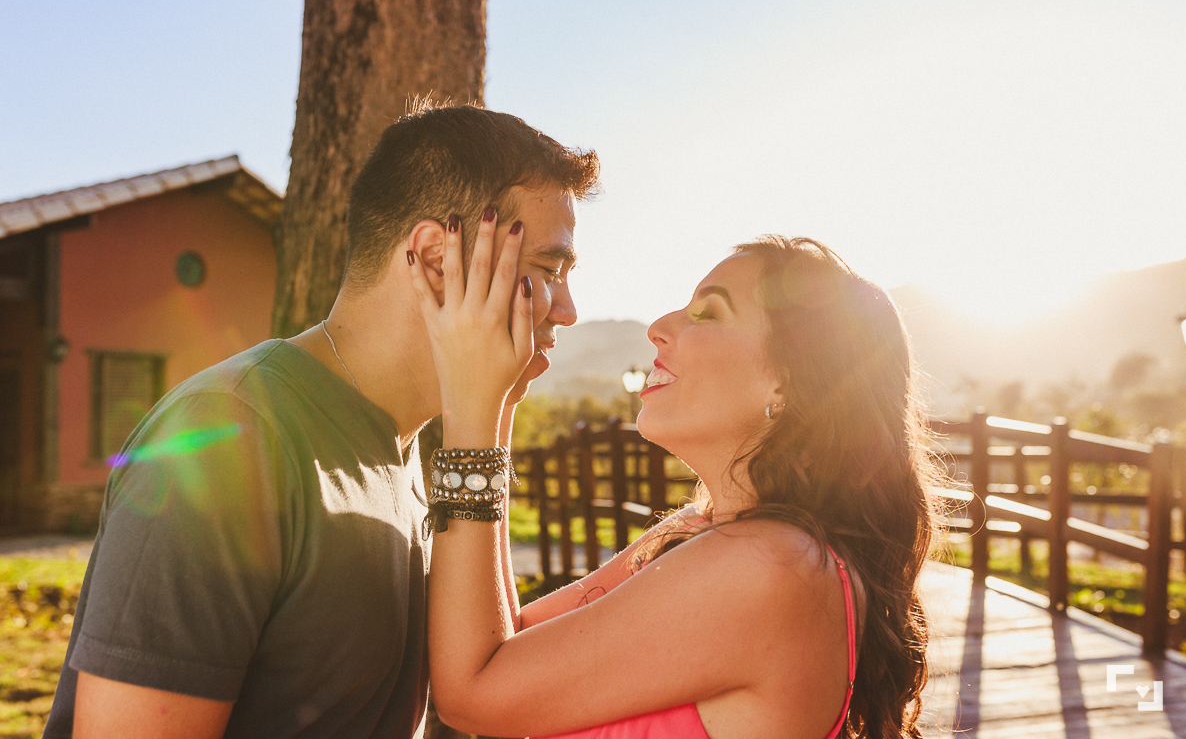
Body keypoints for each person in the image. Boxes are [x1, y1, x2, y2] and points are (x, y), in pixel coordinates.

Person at [45, 103, 600, 739]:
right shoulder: (230, 438)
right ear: (436, 258)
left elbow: (484, 690)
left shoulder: (414, 451)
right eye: (547, 272)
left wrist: (491, 411)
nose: (568, 309)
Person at [410, 227, 941, 738]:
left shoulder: (774, 566)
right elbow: (509, 641)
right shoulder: (708, 528)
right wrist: (502, 397)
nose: (658, 326)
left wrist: (472, 405)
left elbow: (474, 692)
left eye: (706, 313)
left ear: (788, 381)